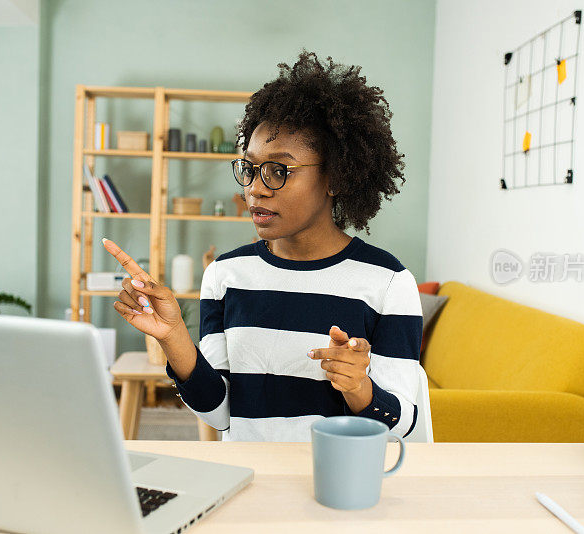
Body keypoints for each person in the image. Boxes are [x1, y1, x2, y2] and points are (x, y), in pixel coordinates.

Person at [103, 50, 423, 441]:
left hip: (334, 484)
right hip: (248, 480)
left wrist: (359, 388)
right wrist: (173, 339)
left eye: (278, 170)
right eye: (251, 168)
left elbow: (405, 424)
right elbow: (219, 414)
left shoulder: (387, 282)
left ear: (335, 177)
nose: (254, 188)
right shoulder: (225, 276)